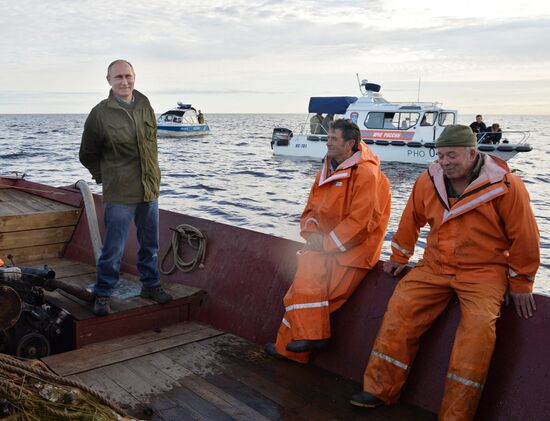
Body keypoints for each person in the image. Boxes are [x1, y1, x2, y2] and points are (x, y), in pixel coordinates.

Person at [351, 125, 540, 420]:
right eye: (440, 156)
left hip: (484, 272)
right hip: (436, 265)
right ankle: (379, 389)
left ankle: (455, 415)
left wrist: (521, 283)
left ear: (472, 153)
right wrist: (400, 255)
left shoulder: (506, 185)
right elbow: (411, 217)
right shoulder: (429, 179)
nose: (445, 162)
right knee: (401, 308)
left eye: (452, 155)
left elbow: (525, 237)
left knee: (477, 332)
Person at [264, 119, 391, 363]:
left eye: (333, 139)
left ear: (350, 144)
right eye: (328, 138)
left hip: (353, 253)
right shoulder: (327, 167)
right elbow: (311, 208)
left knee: (319, 299)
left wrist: (325, 244)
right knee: (301, 294)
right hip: (325, 247)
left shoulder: (366, 173)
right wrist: (312, 235)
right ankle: (291, 348)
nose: (327, 143)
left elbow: (362, 223)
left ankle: (298, 345)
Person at [79, 59, 173, 316]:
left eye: (128, 76)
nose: (124, 81)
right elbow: (87, 154)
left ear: (134, 77)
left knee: (150, 244)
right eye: (118, 77)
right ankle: (103, 293)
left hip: (149, 190)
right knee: (113, 248)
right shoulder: (100, 114)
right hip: (120, 193)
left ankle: (151, 286)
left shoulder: (145, 106)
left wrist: (153, 181)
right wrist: (106, 177)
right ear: (108, 80)